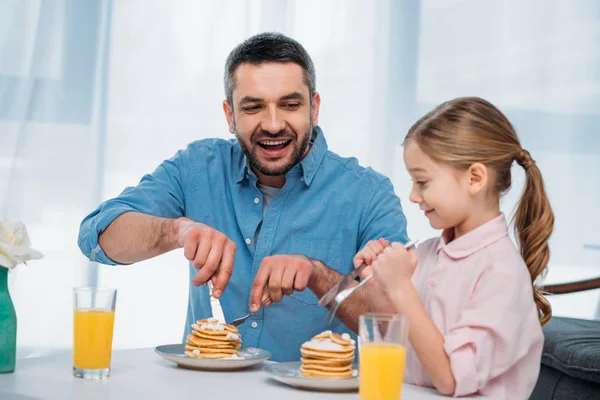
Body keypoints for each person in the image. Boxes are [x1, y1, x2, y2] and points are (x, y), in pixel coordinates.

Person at [77, 32, 409, 362]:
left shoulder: (369, 194)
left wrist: (319, 276)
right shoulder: (197, 167)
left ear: (314, 108)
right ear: (230, 115)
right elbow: (96, 237)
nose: (274, 124)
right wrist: (176, 231)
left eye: (290, 105)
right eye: (253, 107)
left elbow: (395, 324)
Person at [354, 97, 553, 398]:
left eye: (422, 181)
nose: (412, 195)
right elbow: (395, 336)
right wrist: (381, 283)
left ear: (474, 178)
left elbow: (451, 379)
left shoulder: (502, 274)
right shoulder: (424, 255)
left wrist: (400, 287)